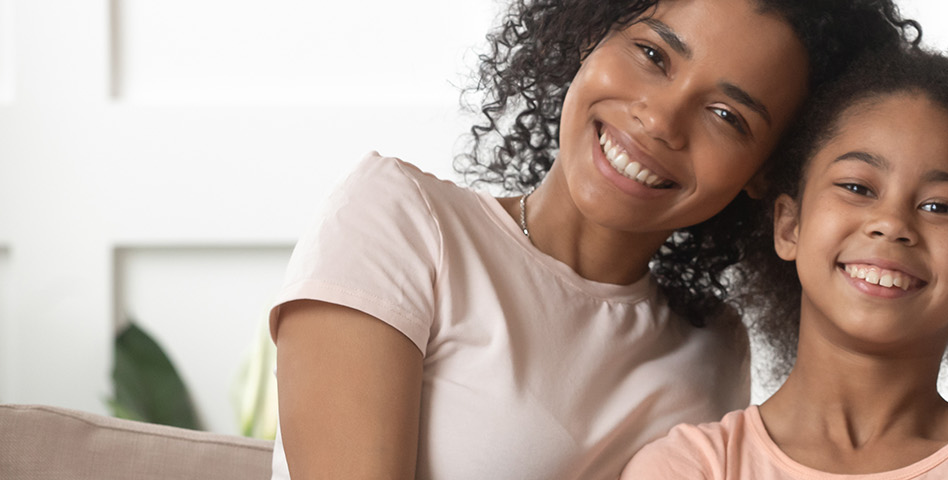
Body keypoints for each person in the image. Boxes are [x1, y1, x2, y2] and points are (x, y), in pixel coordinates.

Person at [267, 0, 914, 478]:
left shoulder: (713, 350)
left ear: (768, 172)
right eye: (653, 55)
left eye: (726, 115)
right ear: (588, 34)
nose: (659, 120)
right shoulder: (402, 221)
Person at [621, 48, 948, 479]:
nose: (891, 224)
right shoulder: (691, 467)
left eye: (940, 206)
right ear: (789, 226)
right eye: (857, 187)